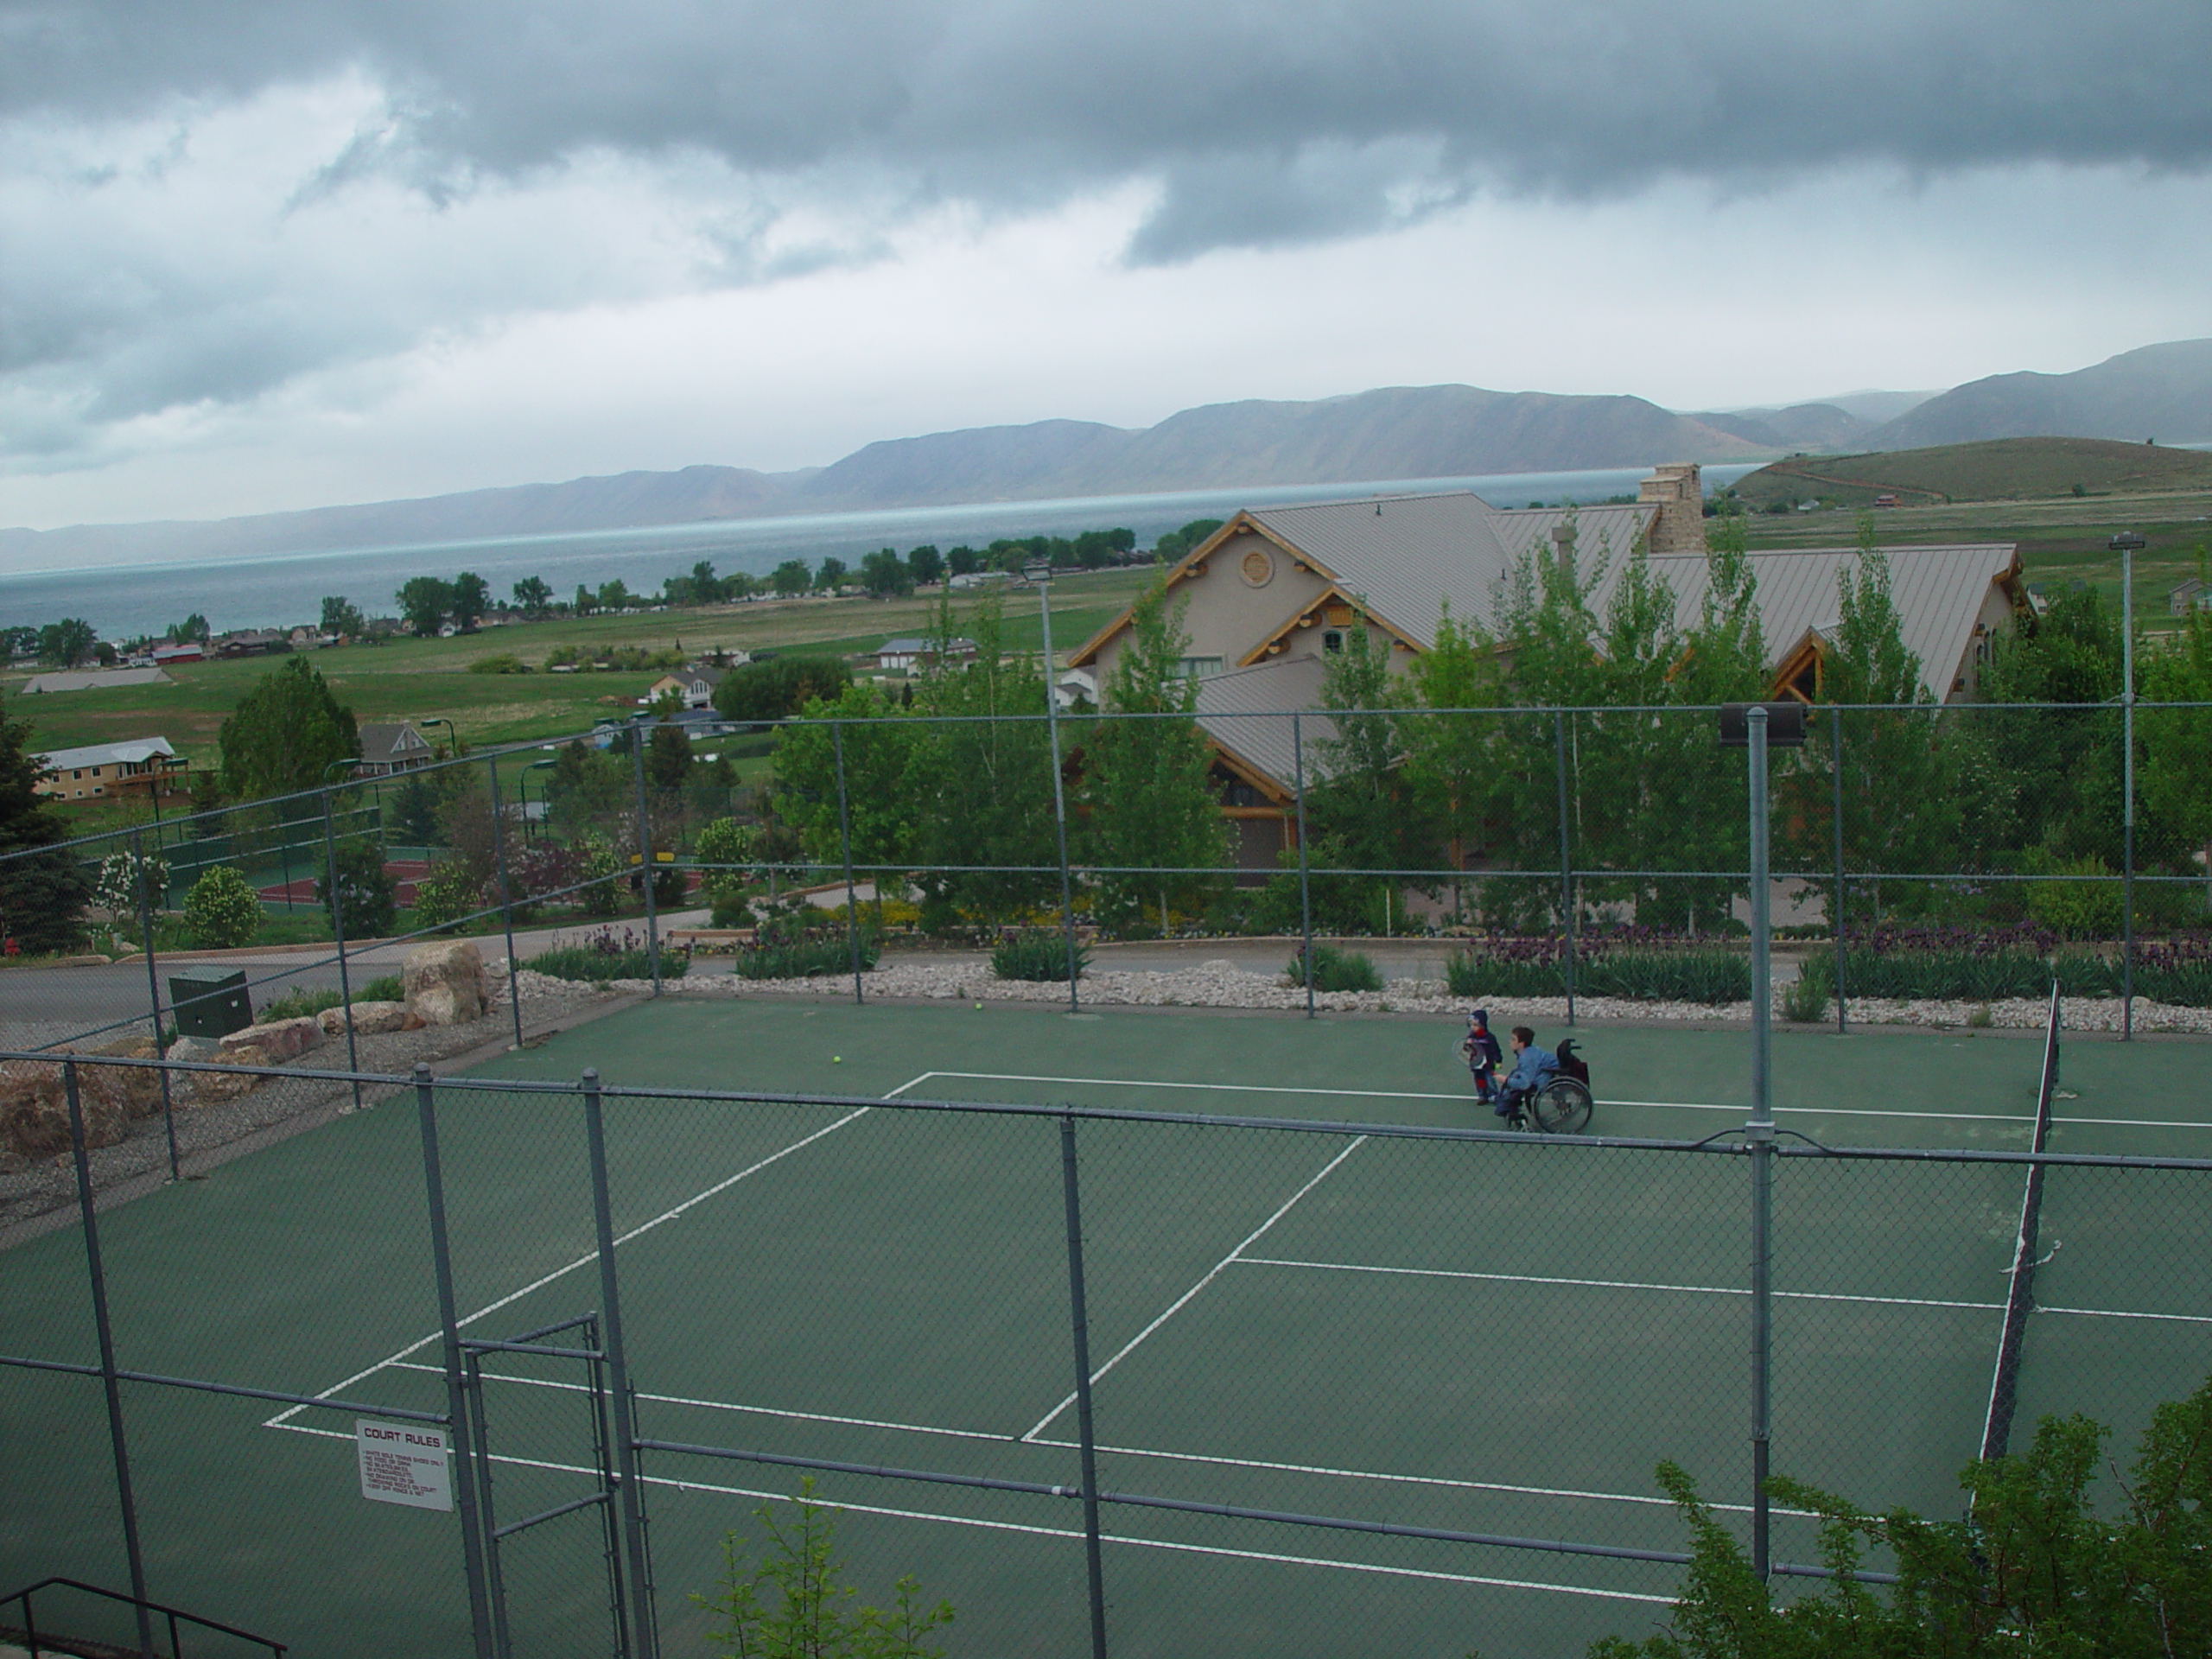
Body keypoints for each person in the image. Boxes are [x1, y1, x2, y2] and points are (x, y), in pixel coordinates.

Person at [1496, 1026, 1559, 1125]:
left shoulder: (1527, 1058)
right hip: (1543, 1073)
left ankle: (1511, 1112)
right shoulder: (1529, 1052)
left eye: (1513, 1039)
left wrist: (1506, 1080)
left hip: (1542, 1079)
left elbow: (1525, 1084)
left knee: (1513, 1088)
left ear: (1521, 1044)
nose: (1510, 1041)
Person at [1459, 1008, 1503, 1104]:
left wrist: (1498, 1060)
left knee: (1490, 1080)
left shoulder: (1489, 1037)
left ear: (1482, 1025)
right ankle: (1482, 1095)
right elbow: (1466, 1049)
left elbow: (1495, 1049)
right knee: (1480, 1080)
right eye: (1471, 1025)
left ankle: (1494, 1095)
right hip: (1476, 1064)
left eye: (1475, 1025)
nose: (1472, 1028)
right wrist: (1467, 1044)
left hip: (1488, 1064)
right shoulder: (1471, 1037)